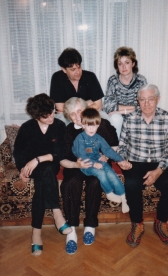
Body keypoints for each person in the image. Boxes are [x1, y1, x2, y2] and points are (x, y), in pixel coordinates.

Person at [60, 97, 131, 255]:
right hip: (76, 166)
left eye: (79, 110)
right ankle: (71, 231)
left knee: (95, 183)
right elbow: (62, 159)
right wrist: (75, 164)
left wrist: (106, 157)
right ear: (68, 117)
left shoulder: (101, 124)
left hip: (97, 164)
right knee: (71, 183)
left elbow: (114, 144)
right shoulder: (67, 131)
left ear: (86, 109)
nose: (77, 116)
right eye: (73, 114)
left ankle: (90, 226)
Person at [117, 84, 168, 248]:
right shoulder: (129, 118)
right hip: (135, 162)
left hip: (159, 162)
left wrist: (159, 170)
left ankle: (161, 223)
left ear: (157, 99)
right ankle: (137, 224)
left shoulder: (166, 118)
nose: (146, 104)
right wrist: (122, 160)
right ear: (138, 101)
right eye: (142, 100)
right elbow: (122, 146)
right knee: (131, 185)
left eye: (150, 99)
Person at [13, 93, 71, 256]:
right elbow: (18, 153)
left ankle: (36, 234)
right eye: (46, 116)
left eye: (52, 112)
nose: (51, 117)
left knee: (45, 174)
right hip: (33, 168)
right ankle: (56, 212)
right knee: (42, 178)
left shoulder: (59, 126)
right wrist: (22, 171)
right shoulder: (27, 127)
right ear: (37, 116)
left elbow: (60, 152)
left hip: (50, 164)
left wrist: (37, 160)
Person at [72, 107, 130, 213]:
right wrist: (94, 164)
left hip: (97, 159)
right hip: (85, 164)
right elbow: (82, 155)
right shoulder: (80, 138)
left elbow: (107, 150)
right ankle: (109, 193)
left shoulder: (98, 137)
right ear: (83, 125)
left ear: (98, 125)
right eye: (88, 125)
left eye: (94, 125)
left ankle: (124, 198)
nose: (91, 129)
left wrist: (120, 160)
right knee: (101, 173)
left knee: (111, 173)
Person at [50, 47, 108, 124]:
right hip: (67, 116)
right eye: (73, 69)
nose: (77, 72)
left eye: (79, 67)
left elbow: (98, 105)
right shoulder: (57, 78)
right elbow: (60, 108)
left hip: (89, 113)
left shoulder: (90, 76)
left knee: (106, 119)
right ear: (64, 70)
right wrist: (87, 103)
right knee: (61, 122)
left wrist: (75, 109)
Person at [103, 46, 147, 137]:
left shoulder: (141, 80)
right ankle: (117, 148)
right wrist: (132, 108)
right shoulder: (113, 80)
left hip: (134, 115)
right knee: (115, 118)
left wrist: (121, 111)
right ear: (117, 66)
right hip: (118, 117)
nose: (123, 67)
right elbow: (108, 106)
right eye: (120, 64)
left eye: (127, 63)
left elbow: (144, 106)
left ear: (133, 63)